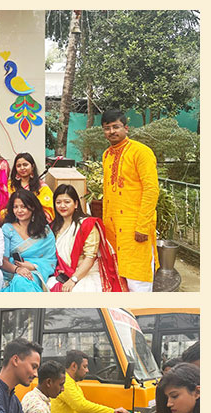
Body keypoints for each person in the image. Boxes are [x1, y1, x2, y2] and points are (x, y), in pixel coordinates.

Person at [101, 108, 159, 291]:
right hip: (113, 229)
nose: (112, 131)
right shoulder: (106, 155)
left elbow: (151, 190)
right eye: (107, 128)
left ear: (126, 128)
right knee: (118, 278)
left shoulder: (141, 152)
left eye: (116, 126)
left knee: (138, 281)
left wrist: (142, 226)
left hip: (135, 228)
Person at [48, 184, 125, 292]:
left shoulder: (87, 225)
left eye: (67, 202)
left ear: (75, 204)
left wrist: (73, 279)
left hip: (85, 274)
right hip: (62, 273)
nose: (62, 206)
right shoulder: (53, 227)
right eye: (58, 202)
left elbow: (90, 257)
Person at [0, 188, 56, 292]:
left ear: (33, 207)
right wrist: (18, 269)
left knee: (22, 281)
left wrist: (33, 266)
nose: (19, 211)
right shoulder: (7, 229)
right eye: (15, 207)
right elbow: (3, 260)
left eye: (23, 207)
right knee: (20, 280)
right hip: (13, 271)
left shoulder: (45, 231)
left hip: (36, 272)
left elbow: (51, 260)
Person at [8, 152, 54, 222]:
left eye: (25, 165)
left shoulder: (42, 187)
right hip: (13, 223)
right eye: (19, 166)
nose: (22, 168)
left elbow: (48, 211)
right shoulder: (9, 185)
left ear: (32, 166)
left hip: (34, 224)